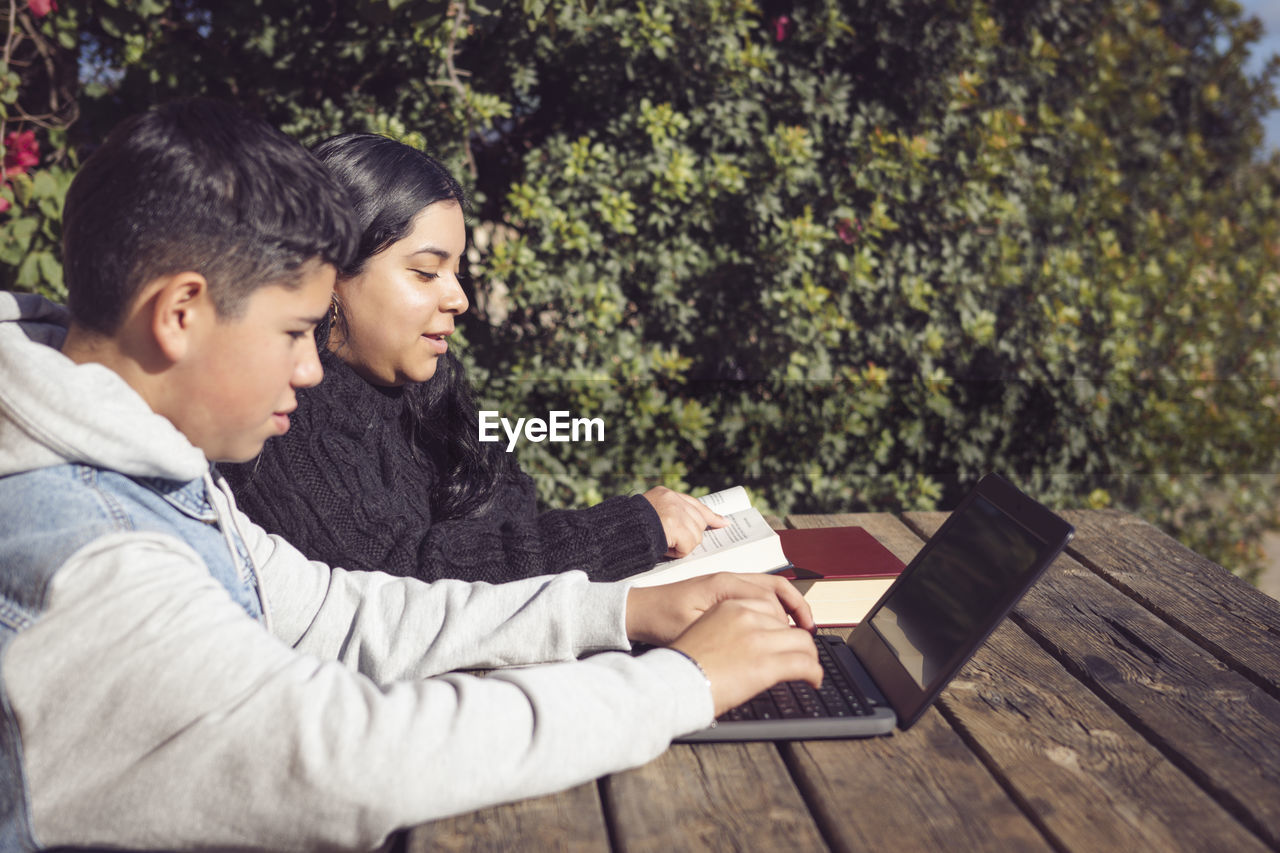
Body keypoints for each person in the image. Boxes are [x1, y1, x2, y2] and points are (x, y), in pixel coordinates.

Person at [0, 99, 821, 852]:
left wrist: (621, 608)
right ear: (179, 314)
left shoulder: (146, 474)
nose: (310, 366)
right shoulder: (90, 561)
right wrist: (683, 683)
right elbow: (348, 756)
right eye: (293, 331)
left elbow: (340, 612)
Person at [221, 132, 721, 584]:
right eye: (425, 272)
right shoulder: (282, 414)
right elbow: (397, 583)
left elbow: (508, 519)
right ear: (328, 273)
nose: (458, 298)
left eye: (457, 272)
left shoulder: (425, 388)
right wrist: (628, 527)